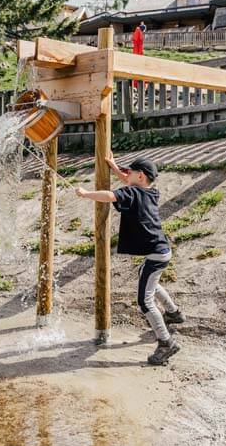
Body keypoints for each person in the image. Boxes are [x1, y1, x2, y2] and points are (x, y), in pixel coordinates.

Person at [75, 154, 185, 365]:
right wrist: (115, 167)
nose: (126, 175)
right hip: (162, 251)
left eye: (130, 172)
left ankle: (166, 343)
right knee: (147, 279)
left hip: (156, 254)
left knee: (145, 302)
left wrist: (86, 193)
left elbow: (109, 195)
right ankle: (174, 313)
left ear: (140, 176)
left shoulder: (132, 192)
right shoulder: (151, 191)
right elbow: (128, 182)